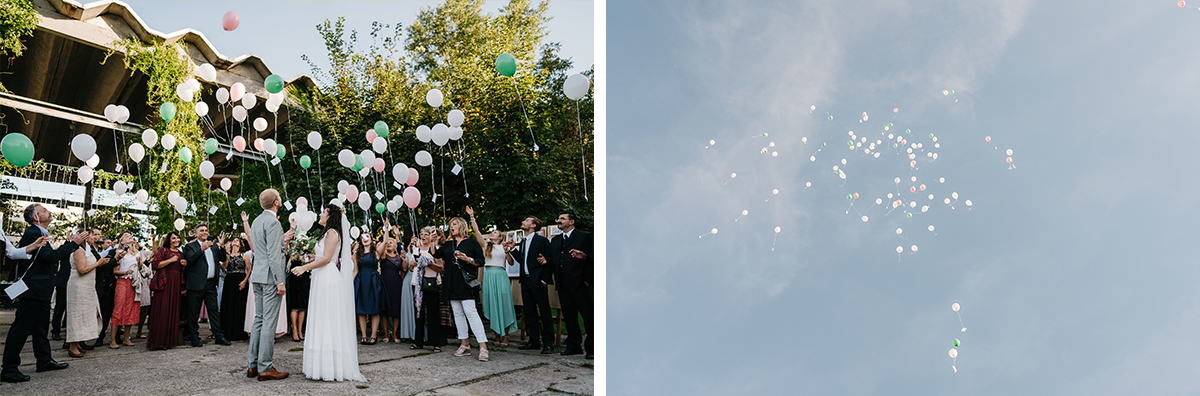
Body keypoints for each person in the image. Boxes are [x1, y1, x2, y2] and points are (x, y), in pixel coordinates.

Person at [1, 204, 82, 383]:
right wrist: (73, 244)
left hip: (41, 290)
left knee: (40, 329)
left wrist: (70, 244)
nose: (49, 212)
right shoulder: (33, 233)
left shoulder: (41, 233)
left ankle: (44, 360)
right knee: (20, 330)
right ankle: (9, 368)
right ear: (36, 217)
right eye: (44, 210)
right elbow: (51, 257)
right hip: (32, 291)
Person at [290, 201, 365, 382]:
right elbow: (322, 256)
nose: (320, 214)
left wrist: (304, 267)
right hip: (321, 277)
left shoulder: (332, 233)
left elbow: (327, 259)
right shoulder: (326, 233)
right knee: (321, 318)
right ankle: (321, 366)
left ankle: (332, 367)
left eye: (324, 211)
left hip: (328, 278)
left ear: (331, 216)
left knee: (328, 319)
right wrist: (310, 258)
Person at [246, 189, 293, 381]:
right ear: (276, 202)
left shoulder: (256, 221)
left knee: (259, 319)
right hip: (270, 278)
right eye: (279, 197)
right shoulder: (273, 222)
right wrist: (279, 281)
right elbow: (274, 255)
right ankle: (265, 367)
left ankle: (253, 365)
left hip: (257, 275)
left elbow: (261, 249)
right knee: (269, 323)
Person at [433, 216, 489, 362]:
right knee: (457, 313)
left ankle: (483, 347)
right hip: (451, 283)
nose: (452, 226)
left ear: (462, 226)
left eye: (455, 224)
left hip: (465, 283)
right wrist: (434, 241)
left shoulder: (471, 243)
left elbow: (481, 261)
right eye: (450, 224)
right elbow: (435, 255)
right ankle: (464, 344)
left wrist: (467, 259)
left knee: (471, 312)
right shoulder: (448, 244)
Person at [539, 211, 594, 359]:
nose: (559, 220)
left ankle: (592, 348)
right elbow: (553, 261)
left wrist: (586, 262)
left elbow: (594, 257)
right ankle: (574, 346)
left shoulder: (585, 236)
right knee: (570, 317)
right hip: (562, 284)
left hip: (581, 284)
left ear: (572, 222)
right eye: (558, 218)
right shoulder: (555, 241)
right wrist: (546, 261)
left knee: (589, 317)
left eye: (562, 218)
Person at [466, 207, 519, 347]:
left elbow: (511, 263)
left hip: (500, 275)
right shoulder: (485, 246)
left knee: (504, 305)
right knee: (492, 305)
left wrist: (507, 251)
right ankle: (496, 335)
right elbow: (477, 232)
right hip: (488, 276)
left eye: (495, 232)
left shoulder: (504, 247)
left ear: (500, 237)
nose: (492, 233)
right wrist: (472, 217)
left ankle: (506, 336)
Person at [507, 215, 554, 354]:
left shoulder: (542, 240)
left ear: (533, 226)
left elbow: (548, 261)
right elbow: (523, 261)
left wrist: (544, 280)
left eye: (526, 221)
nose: (523, 221)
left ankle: (548, 343)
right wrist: (512, 249)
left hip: (538, 281)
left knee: (544, 313)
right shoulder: (522, 241)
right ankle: (534, 341)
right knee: (529, 312)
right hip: (525, 281)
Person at [182, 224, 230, 347]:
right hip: (196, 284)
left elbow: (223, 258)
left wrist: (222, 246)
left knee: (214, 311)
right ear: (196, 233)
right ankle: (194, 337)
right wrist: (202, 249)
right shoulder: (189, 246)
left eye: (206, 230)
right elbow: (190, 260)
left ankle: (219, 336)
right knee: (194, 312)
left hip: (210, 284)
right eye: (202, 230)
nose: (204, 232)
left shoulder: (213, 246)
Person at [65, 228, 106, 358]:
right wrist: (99, 263)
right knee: (76, 315)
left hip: (88, 286)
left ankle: (77, 342)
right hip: (79, 286)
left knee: (89, 313)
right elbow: (81, 270)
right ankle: (72, 345)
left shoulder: (87, 251)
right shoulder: (78, 251)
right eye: (90, 235)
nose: (93, 238)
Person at [408, 227, 445, 352]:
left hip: (430, 283)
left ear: (430, 236)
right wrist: (412, 264)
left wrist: (430, 264)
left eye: (426, 234)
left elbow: (441, 268)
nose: (423, 236)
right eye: (422, 234)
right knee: (418, 313)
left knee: (433, 312)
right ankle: (418, 341)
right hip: (417, 284)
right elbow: (409, 268)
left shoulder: (435, 249)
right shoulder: (416, 250)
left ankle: (435, 342)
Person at [146, 232, 185, 350]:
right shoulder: (163, 250)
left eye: (178, 238)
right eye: (173, 238)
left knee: (173, 311)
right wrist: (171, 260)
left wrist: (185, 264)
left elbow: (181, 270)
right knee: (163, 310)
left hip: (176, 284)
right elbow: (155, 265)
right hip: (165, 283)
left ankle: (169, 341)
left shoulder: (181, 254)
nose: (176, 240)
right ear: (169, 240)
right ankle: (159, 341)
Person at [378, 222, 411, 343]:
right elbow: (383, 245)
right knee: (385, 311)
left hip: (396, 285)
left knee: (396, 310)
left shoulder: (398, 257)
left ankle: (395, 333)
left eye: (390, 242)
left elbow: (404, 268)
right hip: (384, 284)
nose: (388, 244)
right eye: (387, 243)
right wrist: (386, 233)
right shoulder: (383, 256)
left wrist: (404, 259)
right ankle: (386, 333)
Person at [353, 229, 387, 344]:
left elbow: (385, 241)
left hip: (374, 281)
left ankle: (373, 335)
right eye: (363, 237)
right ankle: (363, 335)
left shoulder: (376, 252)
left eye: (367, 236)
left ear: (371, 240)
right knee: (361, 310)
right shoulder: (357, 254)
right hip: (362, 281)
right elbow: (355, 270)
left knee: (374, 309)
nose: (365, 239)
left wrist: (386, 229)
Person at [109, 231, 141, 349]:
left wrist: (139, 264)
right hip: (122, 282)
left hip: (133, 283)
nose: (130, 237)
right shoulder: (119, 253)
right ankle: (113, 340)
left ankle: (126, 338)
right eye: (126, 237)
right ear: (122, 241)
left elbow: (140, 268)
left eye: (131, 236)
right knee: (119, 309)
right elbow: (115, 271)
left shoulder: (137, 253)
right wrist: (125, 272)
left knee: (131, 309)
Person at [220, 238, 251, 342]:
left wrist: (244, 281)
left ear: (241, 244)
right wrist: (226, 255)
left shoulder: (244, 255)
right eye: (234, 240)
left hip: (240, 280)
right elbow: (224, 267)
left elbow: (249, 270)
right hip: (229, 281)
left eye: (237, 240)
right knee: (228, 305)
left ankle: (239, 332)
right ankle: (228, 332)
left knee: (239, 305)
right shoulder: (227, 255)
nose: (235, 241)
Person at [93, 230, 119, 349]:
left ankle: (118, 335)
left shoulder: (135, 253)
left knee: (119, 312)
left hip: (127, 287)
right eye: (127, 236)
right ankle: (100, 336)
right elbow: (105, 268)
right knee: (106, 312)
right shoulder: (112, 252)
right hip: (111, 286)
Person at [286, 240, 311, 342]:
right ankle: (294, 330)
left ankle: (300, 331)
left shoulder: (306, 253)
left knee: (302, 307)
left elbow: (309, 266)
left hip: (304, 279)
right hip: (294, 279)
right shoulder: (291, 253)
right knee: (295, 306)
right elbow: (289, 266)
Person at [134, 238, 155, 339]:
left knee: (145, 307)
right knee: (132, 307)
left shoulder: (145, 253)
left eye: (135, 242)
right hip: (133, 282)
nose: (135, 244)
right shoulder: (126, 254)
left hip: (145, 282)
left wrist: (154, 239)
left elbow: (155, 252)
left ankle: (139, 330)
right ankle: (126, 333)